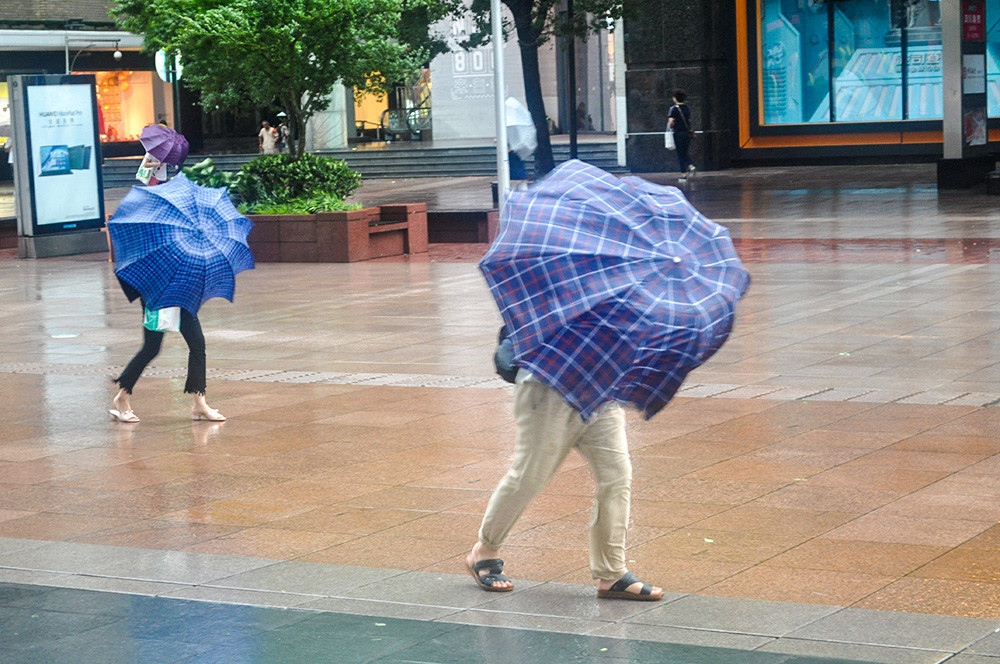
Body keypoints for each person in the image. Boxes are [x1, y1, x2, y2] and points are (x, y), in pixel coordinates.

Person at [465, 327, 664, 602]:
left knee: (617, 477)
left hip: (602, 388)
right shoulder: (554, 287)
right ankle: (485, 550)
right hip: (548, 387)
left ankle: (611, 573)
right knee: (529, 476)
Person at [109, 169, 226, 424]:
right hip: (156, 296)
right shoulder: (151, 230)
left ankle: (199, 403)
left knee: (198, 345)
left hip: (182, 294)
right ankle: (123, 396)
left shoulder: (188, 229)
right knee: (151, 348)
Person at [667, 89, 695, 181]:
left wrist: (672, 125)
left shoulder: (673, 109)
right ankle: (690, 165)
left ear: (675, 98)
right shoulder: (687, 108)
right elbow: (689, 120)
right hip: (687, 132)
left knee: (680, 153)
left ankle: (684, 175)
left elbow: (671, 122)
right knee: (685, 151)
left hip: (678, 133)